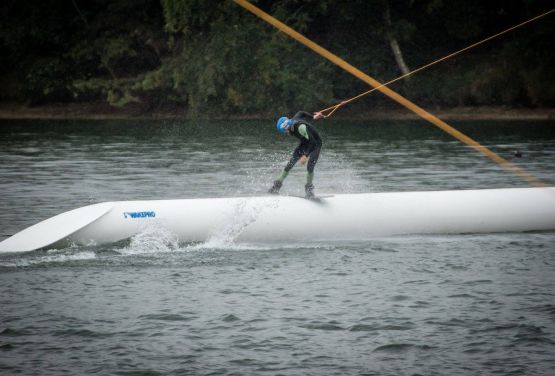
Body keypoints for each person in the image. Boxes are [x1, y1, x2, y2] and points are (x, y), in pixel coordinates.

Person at [269, 110, 324, 198]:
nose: (286, 134)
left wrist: (305, 156)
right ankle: (276, 186)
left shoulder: (300, 127)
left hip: (315, 143)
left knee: (310, 166)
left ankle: (309, 190)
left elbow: (313, 142)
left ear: (287, 127)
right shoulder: (293, 120)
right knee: (290, 163)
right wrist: (313, 117)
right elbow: (301, 112)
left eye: (285, 131)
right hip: (305, 143)